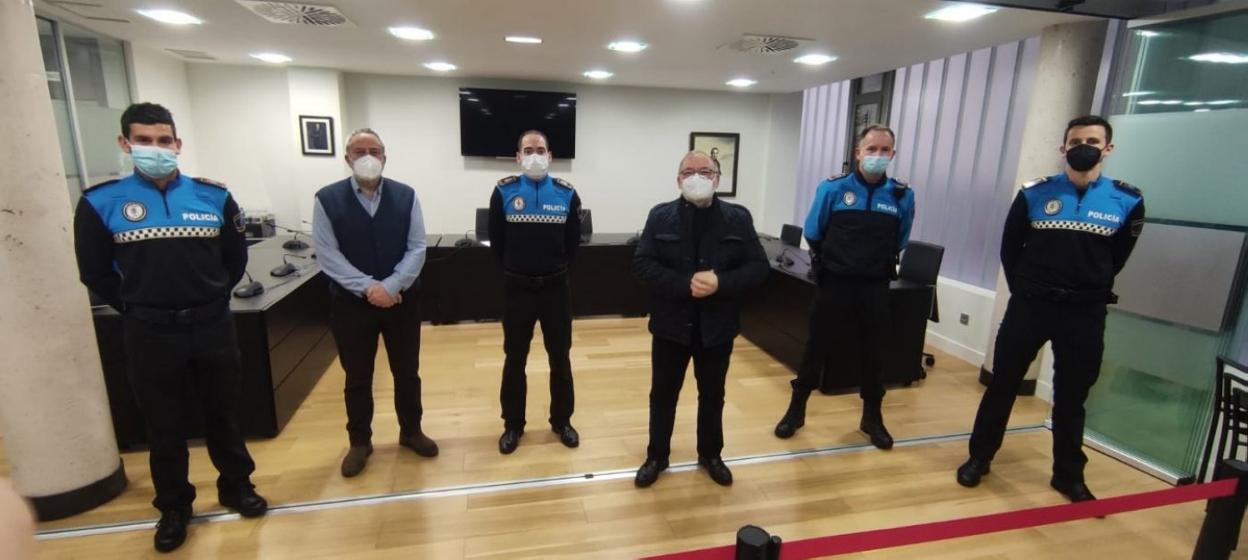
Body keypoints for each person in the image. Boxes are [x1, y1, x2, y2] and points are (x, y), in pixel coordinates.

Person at [73, 102, 267, 552]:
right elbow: (95, 271)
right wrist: (138, 305)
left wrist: (211, 296)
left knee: (222, 412)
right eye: (144, 140)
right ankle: (175, 506)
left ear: (177, 144)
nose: (155, 148)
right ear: (126, 144)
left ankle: (236, 485)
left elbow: (235, 258)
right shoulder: (100, 202)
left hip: (211, 325)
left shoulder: (212, 197)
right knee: (163, 424)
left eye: (163, 140)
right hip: (149, 332)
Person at [957, 115, 1145, 502]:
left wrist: (1086, 285)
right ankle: (979, 458)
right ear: (1063, 148)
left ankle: (1068, 475)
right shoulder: (1034, 194)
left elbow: (1117, 257)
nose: (1083, 148)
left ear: (1107, 149)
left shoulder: (1127, 200)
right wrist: (1028, 290)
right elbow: (1010, 250)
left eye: (1092, 141)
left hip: (1085, 313)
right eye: (1075, 141)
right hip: (1031, 306)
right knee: (1003, 385)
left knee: (1072, 397)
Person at [773, 125, 916, 450]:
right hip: (835, 283)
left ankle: (872, 418)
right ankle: (796, 410)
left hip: (875, 286)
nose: (877, 155)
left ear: (892, 154)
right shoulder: (834, 188)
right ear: (858, 152)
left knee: (875, 352)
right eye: (871, 149)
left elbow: (901, 239)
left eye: (884, 150)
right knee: (816, 347)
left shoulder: (901, 195)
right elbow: (813, 231)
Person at [632, 151, 769, 488]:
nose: (697, 177)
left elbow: (758, 267)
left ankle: (711, 455)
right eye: (688, 171)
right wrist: (685, 284)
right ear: (678, 179)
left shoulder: (738, 218)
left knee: (712, 395)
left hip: (717, 327)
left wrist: (721, 282)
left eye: (705, 171)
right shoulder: (660, 216)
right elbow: (643, 263)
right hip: (670, 326)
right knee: (663, 395)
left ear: (717, 178)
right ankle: (657, 456)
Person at [312, 128, 438, 478]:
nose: (367, 157)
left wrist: (393, 285)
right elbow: (328, 254)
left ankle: (411, 431)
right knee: (357, 376)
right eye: (359, 151)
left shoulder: (406, 196)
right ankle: (360, 442)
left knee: (407, 372)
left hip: (402, 302)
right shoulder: (327, 199)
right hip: (351, 306)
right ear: (347, 158)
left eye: (374, 150)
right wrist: (370, 288)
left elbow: (417, 247)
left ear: (384, 156)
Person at [489, 130, 583, 454]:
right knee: (515, 359)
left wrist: (555, 271)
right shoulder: (503, 191)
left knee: (561, 358)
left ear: (550, 155)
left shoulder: (567, 194)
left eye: (540, 150)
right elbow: (497, 243)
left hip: (556, 290)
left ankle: (562, 421)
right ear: (518, 157)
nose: (534, 155)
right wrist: (516, 271)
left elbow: (573, 245)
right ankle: (513, 424)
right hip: (518, 291)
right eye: (528, 150)